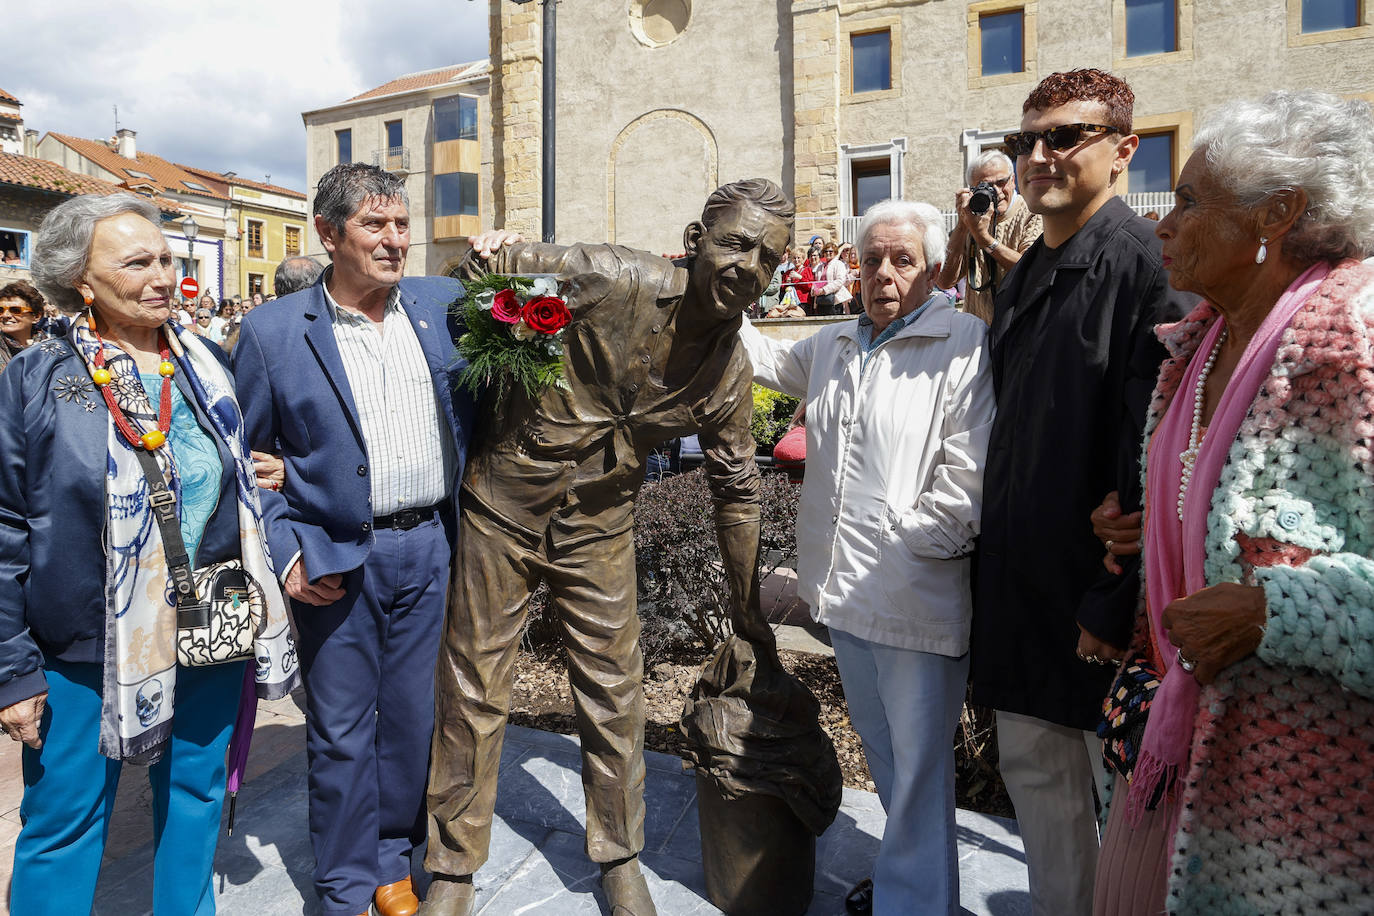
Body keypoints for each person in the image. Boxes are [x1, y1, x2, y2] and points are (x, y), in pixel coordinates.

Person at [422, 178, 792, 916]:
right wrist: (492, 256)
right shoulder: (612, 275)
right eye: (735, 242)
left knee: (616, 689)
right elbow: (478, 278)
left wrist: (751, 617)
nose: (748, 266)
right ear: (695, 241)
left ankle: (619, 856)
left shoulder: (727, 372)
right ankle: (454, 868)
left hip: (599, 524)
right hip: (505, 503)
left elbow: (737, 489)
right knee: (474, 684)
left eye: (768, 258)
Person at [1088, 90, 1374, 915]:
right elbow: (1209, 506)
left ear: (1276, 214)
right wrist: (1145, 535)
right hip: (1172, 764)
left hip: (1299, 819)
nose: (1161, 225)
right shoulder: (1198, 341)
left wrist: (1268, 613)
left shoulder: (1352, 342)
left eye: (1186, 201)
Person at [0, 192, 297, 914]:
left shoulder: (205, 364)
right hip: (85, 646)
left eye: (166, 258)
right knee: (67, 821)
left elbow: (223, 468)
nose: (163, 274)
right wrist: (12, 668)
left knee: (195, 795)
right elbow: (5, 525)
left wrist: (260, 472)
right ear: (82, 279)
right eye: (138, 262)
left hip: (209, 622)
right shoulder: (37, 379)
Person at [969, 69, 1192, 916]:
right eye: (1026, 140)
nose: (1039, 156)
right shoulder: (1029, 270)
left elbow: (1156, 454)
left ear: (1124, 149)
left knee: (1112, 816)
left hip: (1094, 608)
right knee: (1045, 805)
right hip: (1024, 589)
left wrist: (1114, 599)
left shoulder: (1147, 269)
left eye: (1065, 137)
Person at [233, 163, 476, 916]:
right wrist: (288, 549)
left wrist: (509, 254)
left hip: (431, 547)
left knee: (410, 722)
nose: (395, 240)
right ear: (330, 235)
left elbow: (543, 313)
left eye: (402, 225)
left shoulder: (444, 304)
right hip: (335, 561)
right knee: (340, 732)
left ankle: (389, 863)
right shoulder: (273, 332)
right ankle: (341, 889)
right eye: (376, 226)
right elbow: (245, 464)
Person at [740, 199, 994, 915]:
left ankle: (912, 904)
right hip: (843, 596)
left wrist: (906, 545)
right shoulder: (834, 344)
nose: (884, 273)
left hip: (912, 596)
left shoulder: (963, 344)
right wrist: (717, 288)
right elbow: (756, 355)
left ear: (936, 269)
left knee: (917, 773)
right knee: (887, 762)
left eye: (903, 259)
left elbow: (967, 478)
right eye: (872, 258)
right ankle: (912, 887)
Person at [936, 150, 1043, 324]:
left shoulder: (1033, 213)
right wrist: (963, 225)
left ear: (1013, 180)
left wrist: (985, 240)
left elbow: (1032, 269)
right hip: (978, 333)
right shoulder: (972, 220)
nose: (996, 192)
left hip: (1020, 328)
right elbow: (945, 281)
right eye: (984, 186)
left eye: (1001, 182)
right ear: (972, 189)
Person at [0, 279, 48, 371]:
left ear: (36, 316)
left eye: (16, 310)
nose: (5, 315)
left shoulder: (53, 351)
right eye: (0, 310)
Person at [813, 243, 853, 315]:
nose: (828, 253)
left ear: (835, 253)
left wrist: (824, 290)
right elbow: (816, 282)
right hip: (821, 301)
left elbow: (840, 281)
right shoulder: (820, 267)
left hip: (835, 300)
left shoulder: (839, 264)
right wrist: (815, 290)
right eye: (826, 251)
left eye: (830, 251)